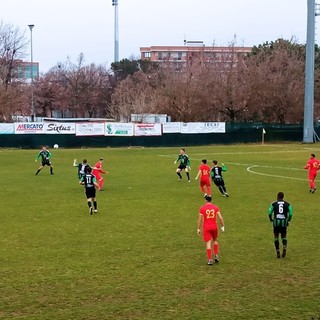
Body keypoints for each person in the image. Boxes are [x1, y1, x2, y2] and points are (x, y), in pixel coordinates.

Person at [197, 195, 225, 265]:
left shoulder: (202, 208)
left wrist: (198, 228)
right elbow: (220, 218)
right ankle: (216, 255)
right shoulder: (215, 208)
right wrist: (222, 226)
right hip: (214, 226)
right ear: (211, 200)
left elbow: (200, 220)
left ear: (205, 200)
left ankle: (210, 259)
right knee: (215, 240)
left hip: (206, 227)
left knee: (208, 243)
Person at [268, 192, 293, 258]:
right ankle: (284, 246)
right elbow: (290, 213)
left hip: (276, 222)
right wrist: (288, 220)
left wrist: (271, 219)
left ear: (277, 196)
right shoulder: (288, 204)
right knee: (284, 236)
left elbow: (269, 213)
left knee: (276, 236)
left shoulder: (274, 204)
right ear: (283, 197)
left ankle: (278, 251)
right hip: (284, 222)